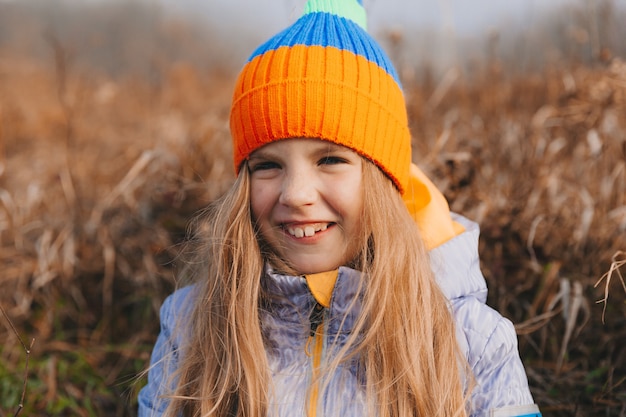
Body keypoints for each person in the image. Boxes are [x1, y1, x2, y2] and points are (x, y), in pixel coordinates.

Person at [137, 1, 541, 416]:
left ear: (384, 180)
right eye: (268, 165)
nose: (295, 194)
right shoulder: (193, 327)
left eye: (330, 160)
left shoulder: (470, 342)